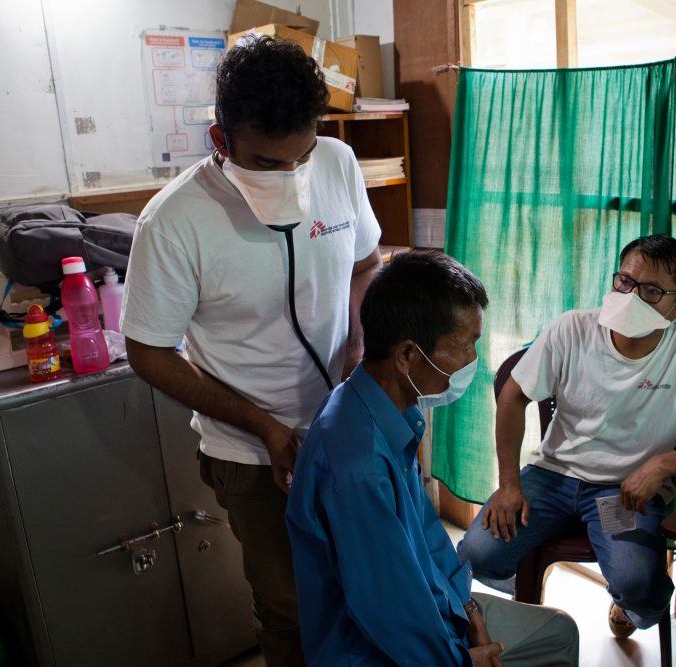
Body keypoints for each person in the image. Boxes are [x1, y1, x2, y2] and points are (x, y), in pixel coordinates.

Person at [121, 36, 382, 666]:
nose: (291, 173)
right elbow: (148, 353)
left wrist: (356, 337)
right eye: (267, 162)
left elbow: (367, 263)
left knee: (368, 584)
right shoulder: (174, 221)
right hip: (249, 452)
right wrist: (264, 427)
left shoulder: (339, 162)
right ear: (220, 139)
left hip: (342, 425)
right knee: (291, 605)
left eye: (302, 154)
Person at [457, 234, 676, 638]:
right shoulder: (572, 329)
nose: (632, 298)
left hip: (626, 490)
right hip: (554, 475)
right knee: (475, 555)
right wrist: (509, 485)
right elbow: (513, 396)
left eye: (652, 291)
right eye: (625, 282)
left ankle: (625, 604)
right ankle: (529, 590)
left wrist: (669, 462)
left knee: (639, 587)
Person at [285, 251, 579, 666]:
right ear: (407, 355)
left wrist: (468, 608)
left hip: (424, 609)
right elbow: (387, 611)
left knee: (559, 630)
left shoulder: (384, 407)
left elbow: (426, 535)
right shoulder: (359, 463)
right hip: (369, 650)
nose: (471, 362)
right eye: (464, 346)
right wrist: (460, 660)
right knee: (552, 641)